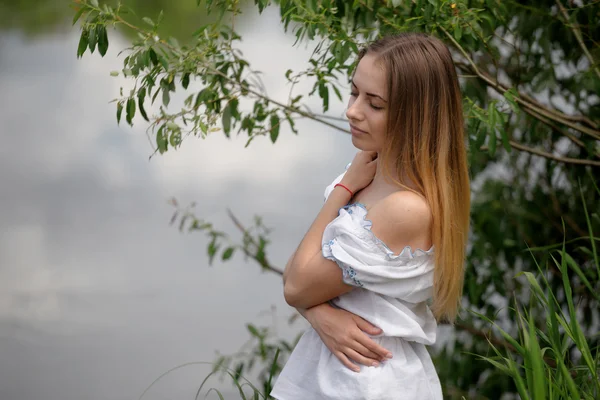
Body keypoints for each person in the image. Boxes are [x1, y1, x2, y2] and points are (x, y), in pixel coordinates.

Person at [270, 32, 471, 400]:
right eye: (354, 92)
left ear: (416, 116)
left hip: (370, 384)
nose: (352, 110)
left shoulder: (404, 208)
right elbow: (302, 275)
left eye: (374, 104)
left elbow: (297, 286)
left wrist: (344, 190)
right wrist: (321, 316)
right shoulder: (369, 171)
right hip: (339, 375)